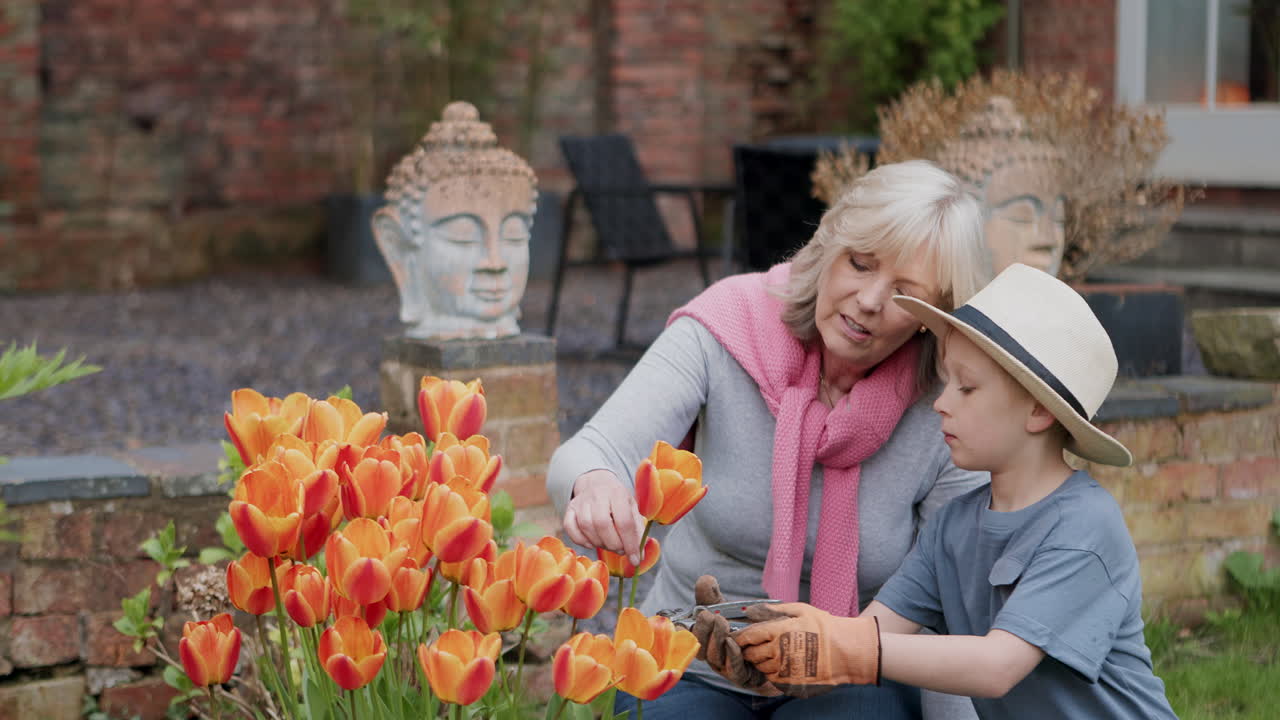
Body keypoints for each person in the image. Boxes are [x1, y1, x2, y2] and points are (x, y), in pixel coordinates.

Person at [546, 160, 993, 719]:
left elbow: (948, 607)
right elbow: (589, 453)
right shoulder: (727, 325)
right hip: (693, 661)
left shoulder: (949, 403)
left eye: (905, 293)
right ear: (828, 247)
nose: (871, 300)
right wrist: (594, 486)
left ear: (932, 315)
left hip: (851, 676)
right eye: (860, 264)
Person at [732, 264, 1178, 719]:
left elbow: (997, 666)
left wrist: (843, 647)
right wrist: (770, 653)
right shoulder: (952, 529)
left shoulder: (1085, 526)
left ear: (1039, 411)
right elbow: (870, 633)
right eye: (947, 384)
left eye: (967, 387)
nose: (942, 404)